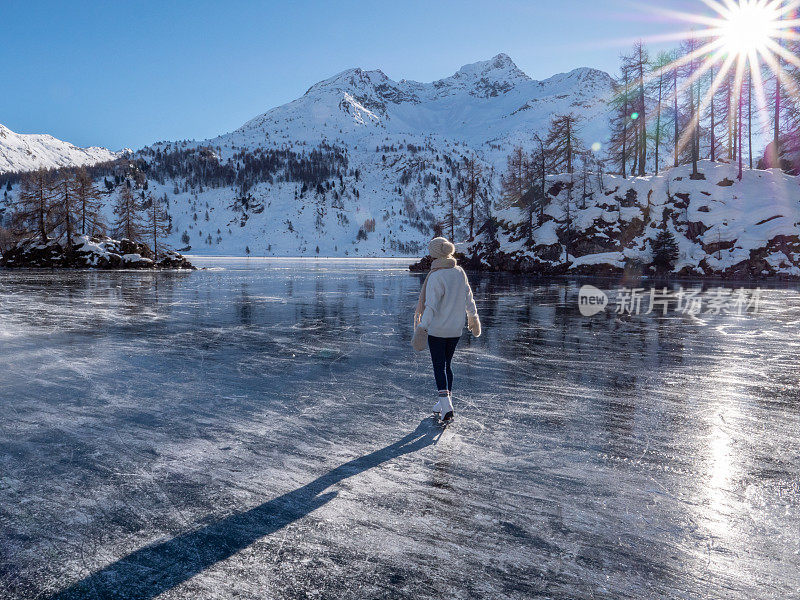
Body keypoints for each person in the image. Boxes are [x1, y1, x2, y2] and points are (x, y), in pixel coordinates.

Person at [412, 237, 481, 422]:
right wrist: (473, 317)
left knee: (438, 366)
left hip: (438, 330)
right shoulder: (459, 271)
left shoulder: (436, 276)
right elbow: (469, 297)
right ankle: (443, 402)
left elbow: (431, 306)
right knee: (447, 365)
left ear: (435, 253)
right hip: (455, 329)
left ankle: (446, 404)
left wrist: (422, 327)